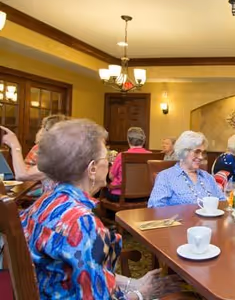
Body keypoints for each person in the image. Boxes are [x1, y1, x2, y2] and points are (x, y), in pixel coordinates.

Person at [20, 119, 190, 300]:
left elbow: (85, 272)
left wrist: (133, 283)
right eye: (107, 157)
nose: (109, 163)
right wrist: (143, 294)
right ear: (92, 168)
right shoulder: (82, 224)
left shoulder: (44, 201)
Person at [148, 131, 225, 207]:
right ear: (184, 152)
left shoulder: (207, 177)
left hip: (211, 219)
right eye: (197, 152)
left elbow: (222, 201)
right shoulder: (166, 177)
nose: (201, 157)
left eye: (203, 153)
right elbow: (154, 208)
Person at [1, 114, 69, 195]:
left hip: (60, 204)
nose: (40, 132)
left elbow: (22, 175)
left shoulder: (59, 160)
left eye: (43, 128)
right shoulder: (65, 155)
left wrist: (15, 145)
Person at [107, 127, 151, 202]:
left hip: (121, 196)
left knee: (105, 191)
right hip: (145, 195)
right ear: (144, 140)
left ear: (128, 140)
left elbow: (111, 176)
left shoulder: (121, 155)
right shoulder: (151, 155)